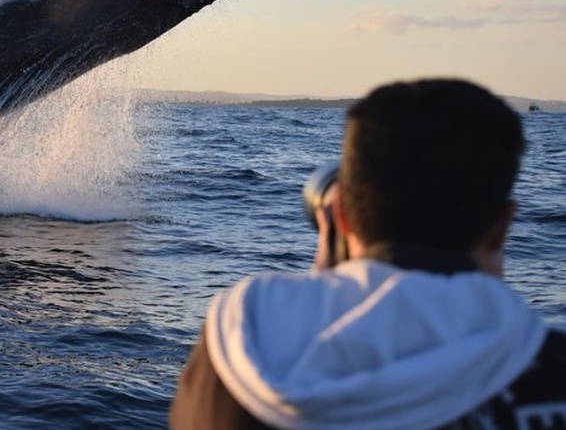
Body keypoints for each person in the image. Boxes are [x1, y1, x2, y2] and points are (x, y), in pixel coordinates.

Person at [169, 78, 566, 430]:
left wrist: (325, 294)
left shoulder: (236, 350)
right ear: (503, 226)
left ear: (338, 214)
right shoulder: (550, 370)